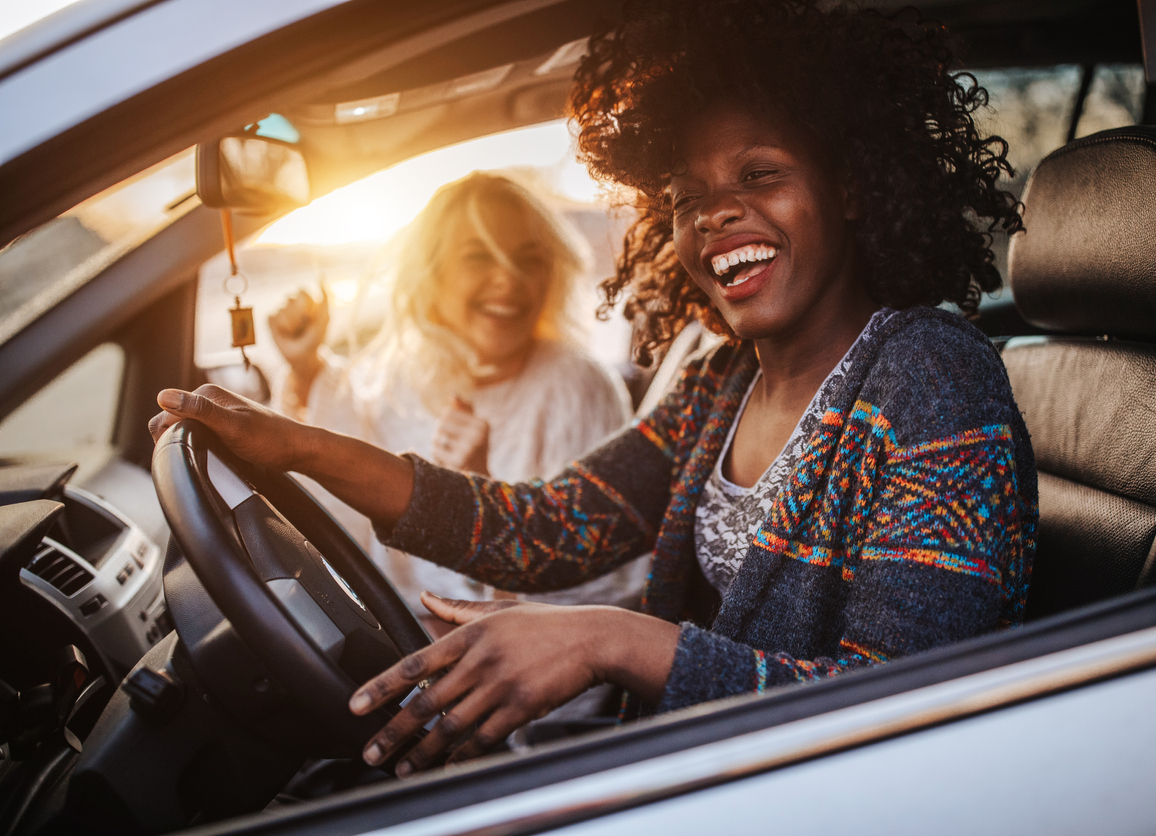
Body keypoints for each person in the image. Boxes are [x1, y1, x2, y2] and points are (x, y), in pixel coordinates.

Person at [150, 0, 1037, 777]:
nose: (716, 214)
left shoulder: (932, 376)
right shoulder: (722, 383)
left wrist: (607, 641)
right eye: (687, 197)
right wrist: (300, 446)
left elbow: (904, 706)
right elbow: (539, 527)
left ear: (849, 187)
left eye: (759, 174)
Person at [265, 171, 641, 616]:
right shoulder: (391, 376)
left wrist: (478, 492)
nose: (509, 279)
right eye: (480, 257)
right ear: (432, 274)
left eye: (529, 259)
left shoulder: (578, 387)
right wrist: (307, 368)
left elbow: (602, 593)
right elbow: (329, 520)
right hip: (394, 635)